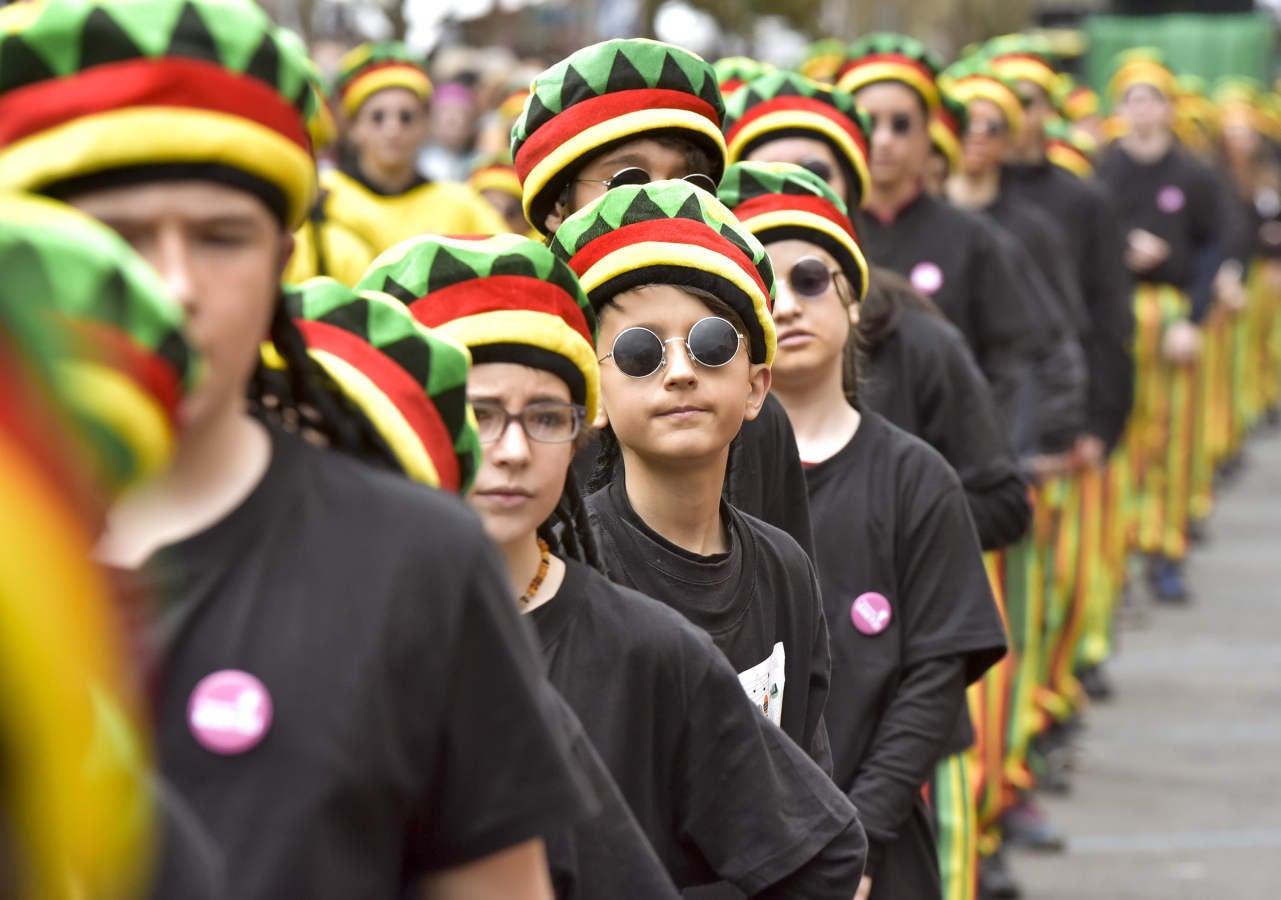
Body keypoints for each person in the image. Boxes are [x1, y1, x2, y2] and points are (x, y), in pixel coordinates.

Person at [0, 2, 592, 895]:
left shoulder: (418, 562)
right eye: (117, 236)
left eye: (219, 237)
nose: (173, 287)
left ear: (283, 253)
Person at [362, 231, 868, 898]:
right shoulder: (332, 640)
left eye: (544, 416)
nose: (511, 449)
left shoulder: (650, 648)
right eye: (476, 415)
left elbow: (817, 851)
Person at [719, 161, 1006, 900]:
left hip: (876, 842)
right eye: (763, 286)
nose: (785, 304)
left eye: (810, 279)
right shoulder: (700, 476)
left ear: (853, 299)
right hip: (728, 846)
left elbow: (933, 676)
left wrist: (862, 834)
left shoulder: (916, 477)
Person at [548, 179, 834, 768]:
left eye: (709, 343)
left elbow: (808, 777)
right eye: (638, 351)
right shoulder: (566, 574)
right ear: (594, 397)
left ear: (756, 385)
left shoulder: (786, 570)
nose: (679, 371)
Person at [512, 37, 815, 553]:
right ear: (556, 212)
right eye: (625, 180)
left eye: (690, 181)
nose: (662, 200)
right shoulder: (520, 408)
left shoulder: (753, 415)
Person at [835, 33, 1048, 434]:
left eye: (901, 125)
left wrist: (989, 457)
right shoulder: (821, 238)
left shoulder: (974, 238)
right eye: (868, 123)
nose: (882, 140)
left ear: (927, 137)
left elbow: (1011, 362)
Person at [1096, 49, 1234, 603]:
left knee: (1173, 436)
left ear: (1169, 108)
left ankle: (1165, 548)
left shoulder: (1193, 174)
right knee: (1121, 433)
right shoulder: (1105, 168)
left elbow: (1215, 245)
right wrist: (1121, 249)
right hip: (1119, 314)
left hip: (1172, 312)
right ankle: (1119, 549)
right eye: (1134, 99)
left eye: (1153, 99)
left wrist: (1195, 317)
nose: (1143, 110)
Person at [318, 41, 508, 256]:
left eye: (406, 117)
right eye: (377, 117)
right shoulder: (324, 198)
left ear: (425, 125)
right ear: (353, 127)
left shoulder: (459, 204)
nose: (393, 130)